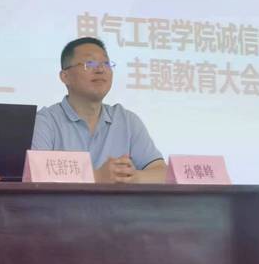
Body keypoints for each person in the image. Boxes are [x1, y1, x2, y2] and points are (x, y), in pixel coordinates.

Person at [31, 37, 167, 183]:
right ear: (65, 76)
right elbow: (34, 176)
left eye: (106, 63)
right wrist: (96, 177)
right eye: (90, 63)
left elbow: (162, 172)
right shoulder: (45, 122)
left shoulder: (127, 120)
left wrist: (133, 177)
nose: (101, 69)